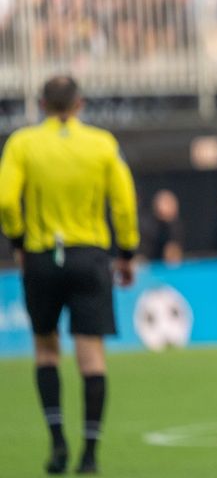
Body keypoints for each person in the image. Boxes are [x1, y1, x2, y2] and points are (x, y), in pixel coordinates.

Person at [0, 75, 139, 475]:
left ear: (42, 104)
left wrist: (19, 240)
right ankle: (89, 454)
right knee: (91, 356)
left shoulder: (23, 143)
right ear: (80, 104)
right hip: (89, 256)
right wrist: (126, 252)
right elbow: (124, 203)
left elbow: (7, 200)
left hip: (42, 256)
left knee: (46, 349)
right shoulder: (101, 143)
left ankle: (58, 442)